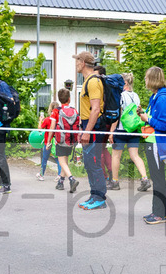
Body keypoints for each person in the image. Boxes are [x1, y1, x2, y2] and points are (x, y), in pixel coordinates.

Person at [138, 66, 166, 225]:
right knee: (157, 178)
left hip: (158, 143)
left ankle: (160, 214)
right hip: (152, 142)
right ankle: (158, 211)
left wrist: (147, 119)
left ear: (153, 79)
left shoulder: (162, 98)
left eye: (147, 77)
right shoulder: (156, 97)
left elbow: (165, 123)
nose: (145, 80)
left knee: (158, 178)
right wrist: (144, 114)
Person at [73, 52, 108, 209]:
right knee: (88, 162)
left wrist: (87, 131)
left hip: (94, 127)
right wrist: (82, 128)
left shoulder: (93, 82)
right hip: (88, 125)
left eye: (77, 60)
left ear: (83, 62)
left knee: (94, 163)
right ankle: (94, 195)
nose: (76, 64)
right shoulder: (88, 80)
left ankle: (100, 197)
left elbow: (95, 109)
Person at [110, 73, 151, 192]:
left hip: (122, 130)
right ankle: (144, 179)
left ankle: (115, 181)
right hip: (133, 130)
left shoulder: (121, 96)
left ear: (125, 83)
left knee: (116, 155)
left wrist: (111, 132)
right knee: (135, 155)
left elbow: (117, 114)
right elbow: (139, 111)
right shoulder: (136, 96)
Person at [50, 89, 80, 193]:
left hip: (61, 139)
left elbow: (52, 127)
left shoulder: (56, 111)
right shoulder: (74, 110)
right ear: (69, 99)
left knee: (61, 161)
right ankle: (61, 182)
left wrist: (49, 140)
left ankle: (72, 179)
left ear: (59, 99)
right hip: (71, 140)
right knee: (65, 161)